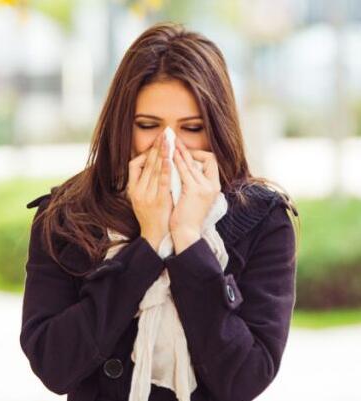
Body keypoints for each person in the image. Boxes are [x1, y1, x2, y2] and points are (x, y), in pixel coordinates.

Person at [19, 22, 300, 401]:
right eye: (148, 125)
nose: (169, 145)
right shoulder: (68, 216)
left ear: (217, 128)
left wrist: (187, 240)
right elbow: (55, 366)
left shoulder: (261, 219)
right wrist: (148, 244)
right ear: (123, 126)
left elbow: (246, 378)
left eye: (192, 127)